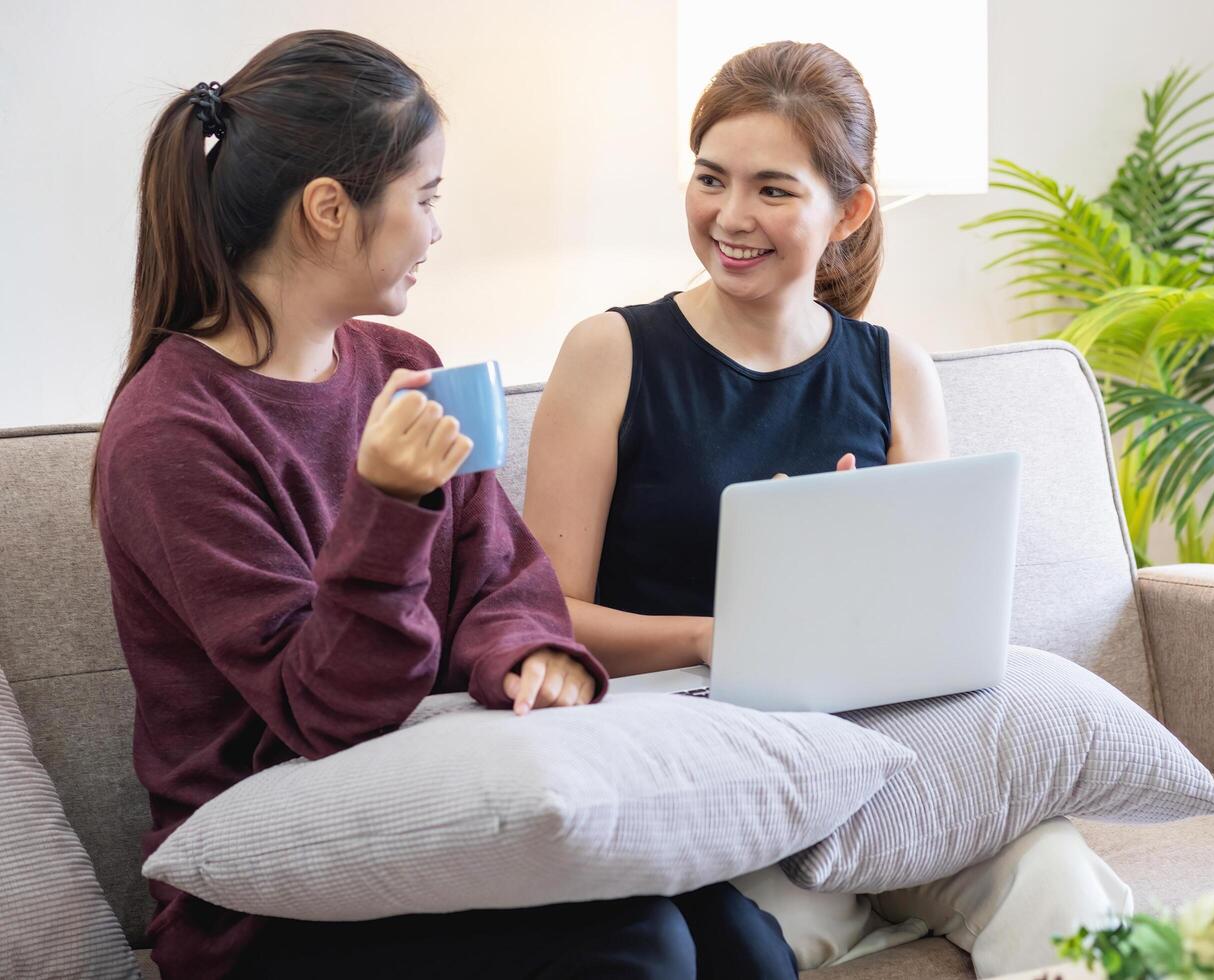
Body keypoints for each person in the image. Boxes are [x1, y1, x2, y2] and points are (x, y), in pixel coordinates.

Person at [93, 30, 795, 980]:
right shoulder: (171, 433)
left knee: (739, 941)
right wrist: (388, 502)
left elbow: (504, 578)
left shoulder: (406, 371)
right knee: (642, 949)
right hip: (272, 905)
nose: (436, 230)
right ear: (329, 211)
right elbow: (326, 715)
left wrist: (531, 652)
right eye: (425, 199)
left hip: (445, 819)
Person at [524, 40, 1133, 975]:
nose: (731, 217)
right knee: (787, 921)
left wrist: (860, 566)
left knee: (1060, 877)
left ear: (848, 209)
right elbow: (539, 617)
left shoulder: (896, 370)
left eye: (773, 189)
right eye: (710, 179)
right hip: (701, 758)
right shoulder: (611, 353)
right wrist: (712, 635)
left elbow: (943, 626)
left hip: (877, 757)